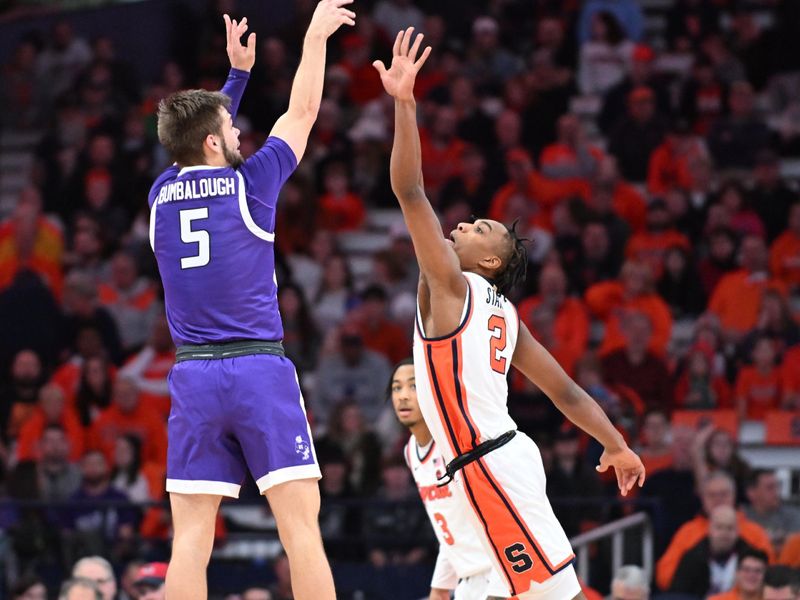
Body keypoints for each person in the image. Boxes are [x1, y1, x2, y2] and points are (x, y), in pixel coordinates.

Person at [373, 27, 645, 599]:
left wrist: (404, 105)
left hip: (488, 465)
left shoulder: (450, 285)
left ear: (490, 259)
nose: (467, 224)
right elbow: (566, 392)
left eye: (481, 228)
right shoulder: (507, 315)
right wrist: (614, 443)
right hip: (492, 462)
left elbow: (410, 191)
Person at [150, 7, 355, 600]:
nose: (243, 134)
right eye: (233, 128)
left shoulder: (161, 192)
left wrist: (236, 79)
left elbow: (197, 138)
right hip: (257, 368)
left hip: (192, 375)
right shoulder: (252, 182)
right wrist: (314, 36)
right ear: (216, 140)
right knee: (300, 532)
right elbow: (305, 112)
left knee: (190, 538)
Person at [390, 358, 506, 599]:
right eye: (396, 387)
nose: (403, 396)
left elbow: (501, 516)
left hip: (500, 573)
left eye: (413, 386)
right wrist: (440, 588)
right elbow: (450, 527)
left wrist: (500, 589)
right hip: (467, 582)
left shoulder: (455, 445)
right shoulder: (411, 451)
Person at [669, 506, 760, 597]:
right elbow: (678, 594)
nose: (724, 533)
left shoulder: (751, 557)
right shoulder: (692, 558)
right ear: (709, 529)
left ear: (738, 531)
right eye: (719, 527)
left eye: (730, 528)